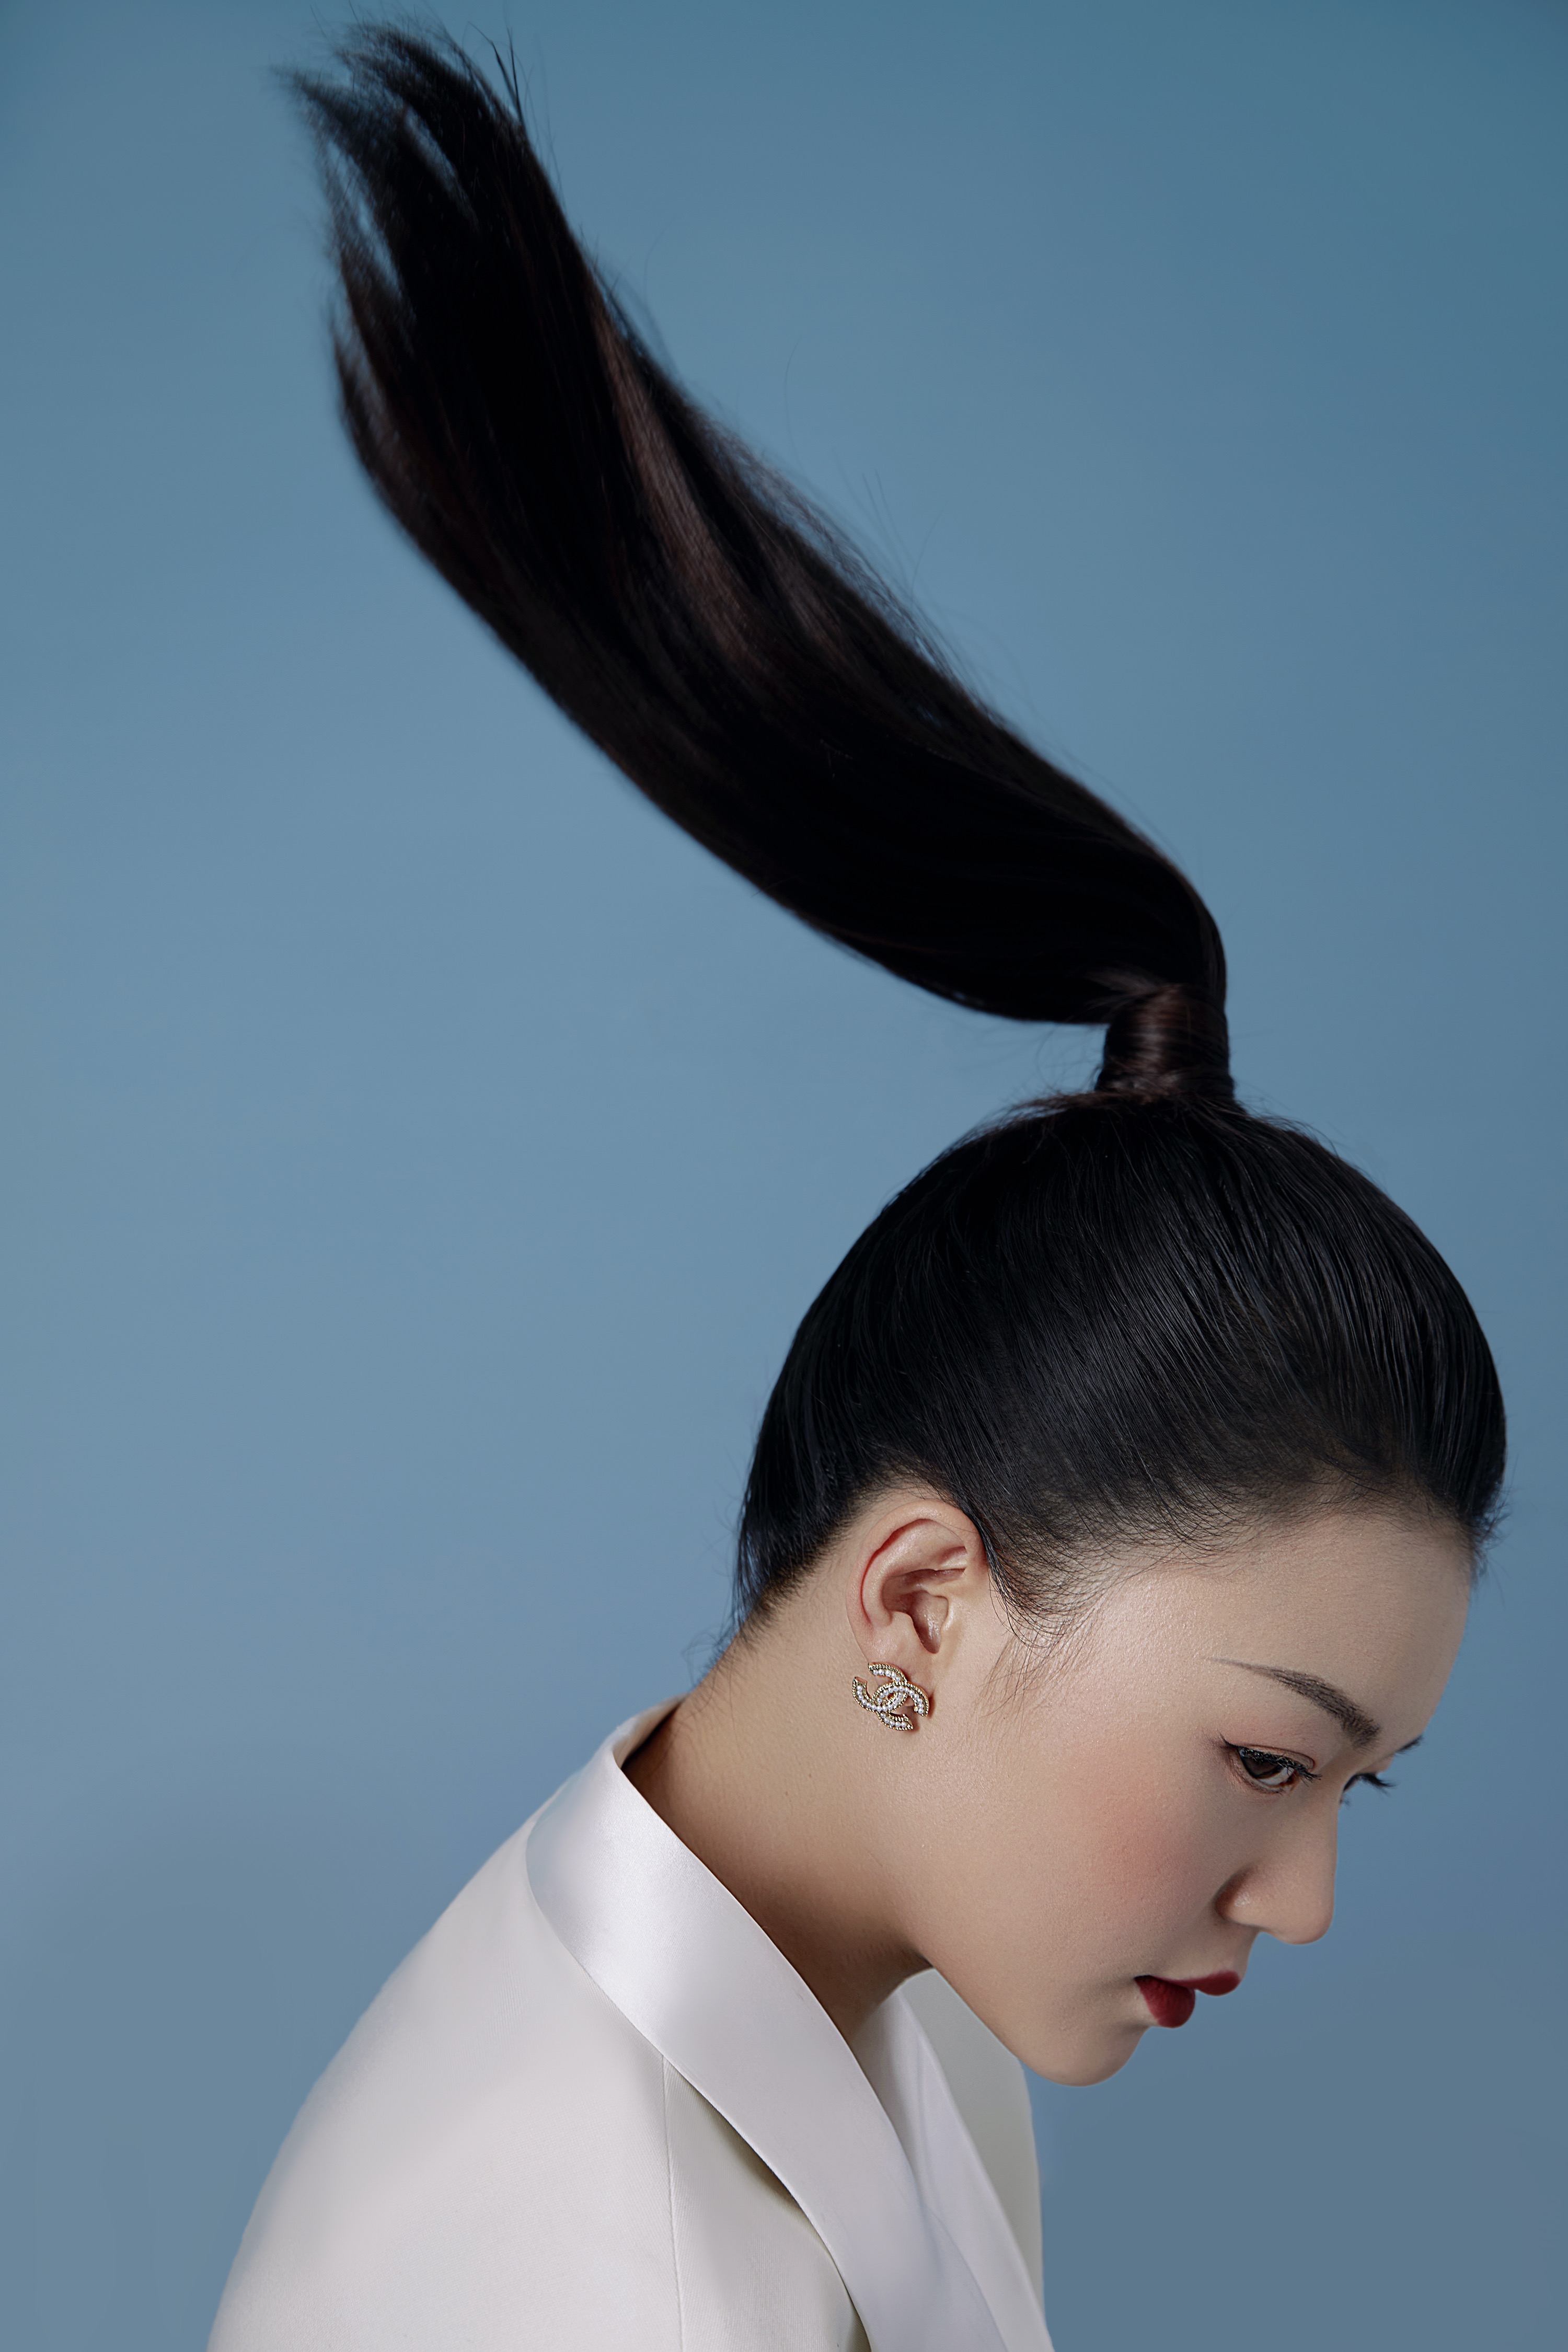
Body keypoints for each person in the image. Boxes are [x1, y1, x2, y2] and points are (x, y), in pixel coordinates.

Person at [209, 29, 1505, 2352]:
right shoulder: (584, 2275)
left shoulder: (894, 2015)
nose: (1302, 1896)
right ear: (920, 1600)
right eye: (1264, 1757)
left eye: (1354, 1787)